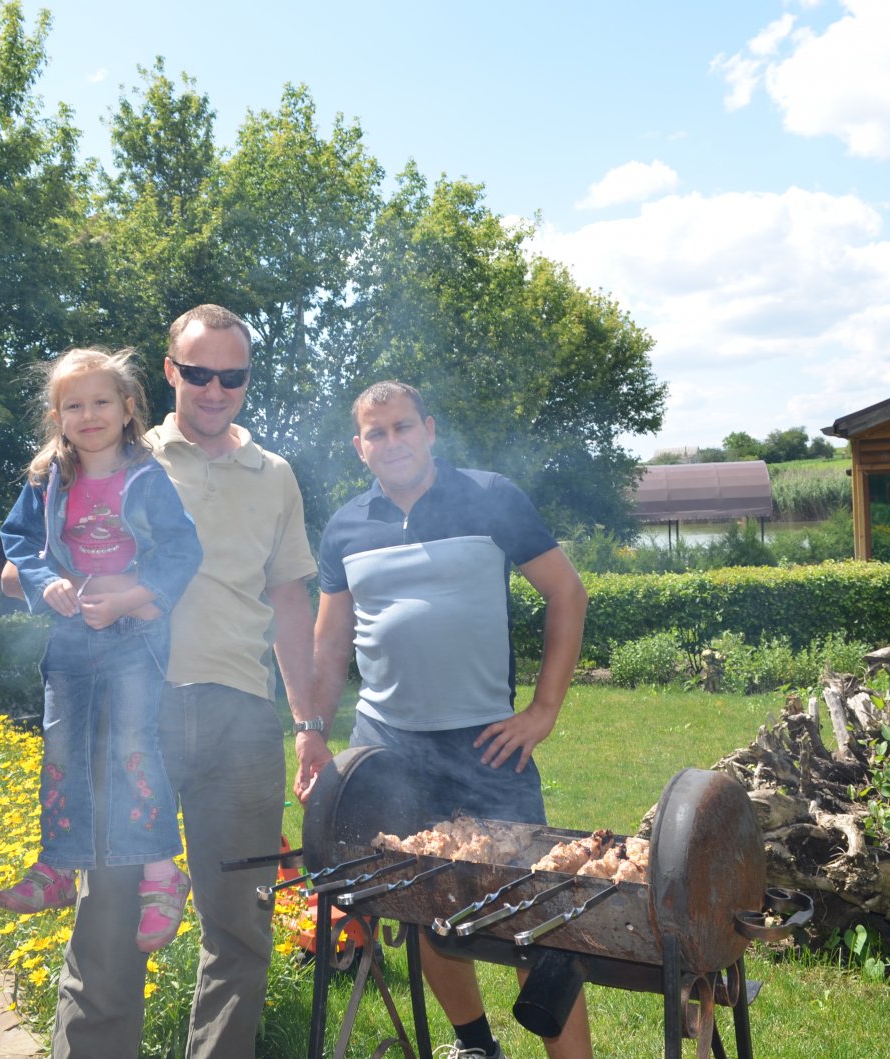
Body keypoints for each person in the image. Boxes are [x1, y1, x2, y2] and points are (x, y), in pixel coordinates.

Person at [47, 305, 319, 1059]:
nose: (214, 389)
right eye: (198, 373)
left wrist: (308, 724)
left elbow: (289, 600)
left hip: (242, 721)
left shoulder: (275, 475)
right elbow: (32, 551)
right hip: (130, 712)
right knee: (108, 923)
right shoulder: (117, 454)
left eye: (232, 376)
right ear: (170, 371)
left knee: (240, 926)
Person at [307, 380, 592, 1059]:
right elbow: (329, 641)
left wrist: (543, 710)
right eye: (376, 433)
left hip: (487, 746)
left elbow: (567, 592)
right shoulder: (345, 527)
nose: (392, 442)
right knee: (422, 909)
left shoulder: (490, 498)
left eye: (403, 427)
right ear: (359, 447)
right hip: (387, 750)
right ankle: (474, 1044)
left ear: (430, 429)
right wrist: (311, 731)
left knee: (531, 914)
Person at [0, 348, 203, 954]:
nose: (89, 415)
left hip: (133, 633)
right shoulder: (47, 480)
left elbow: (182, 550)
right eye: (74, 405)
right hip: (69, 633)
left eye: (101, 402)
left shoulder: (147, 477)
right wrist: (44, 583)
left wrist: (134, 598)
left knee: (134, 743)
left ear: (128, 408)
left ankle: (161, 871)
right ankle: (60, 863)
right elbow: (19, 543)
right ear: (57, 417)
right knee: (62, 744)